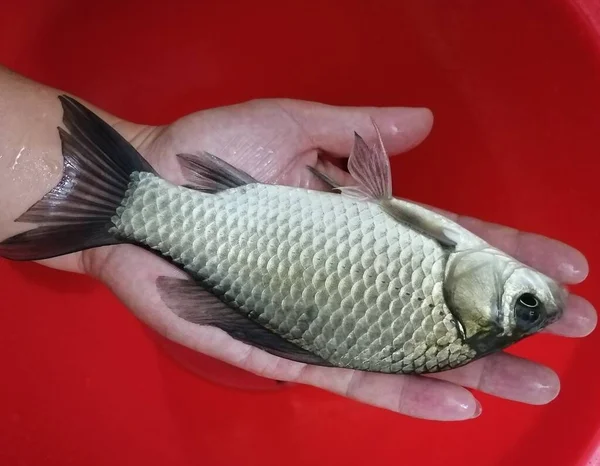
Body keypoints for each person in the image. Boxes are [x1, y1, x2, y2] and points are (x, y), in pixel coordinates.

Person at [0, 64, 595, 421]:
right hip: (262, 244)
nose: (533, 296)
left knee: (133, 200)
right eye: (527, 305)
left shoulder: (448, 265)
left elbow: (373, 195)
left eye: (523, 305)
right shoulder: (444, 299)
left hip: (256, 225)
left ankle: (113, 204)